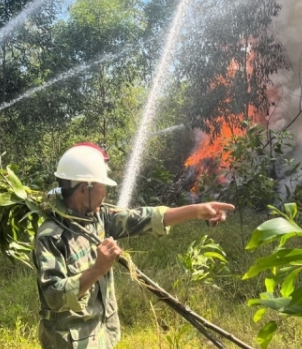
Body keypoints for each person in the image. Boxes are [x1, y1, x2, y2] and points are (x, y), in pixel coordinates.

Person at [33, 144, 235, 349]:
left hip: (101, 337)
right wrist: (97, 269)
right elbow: (53, 297)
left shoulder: (97, 217)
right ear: (85, 188)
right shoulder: (51, 236)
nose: (106, 192)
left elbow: (143, 218)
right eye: (103, 185)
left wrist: (196, 210)